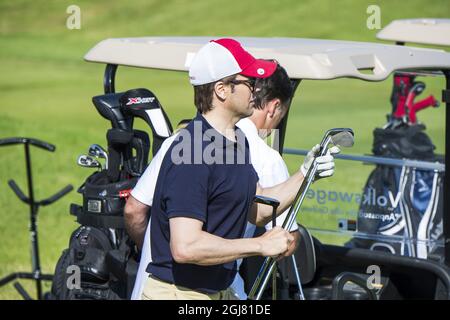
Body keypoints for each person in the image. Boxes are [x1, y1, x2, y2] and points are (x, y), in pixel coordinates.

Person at [124, 38, 338, 300]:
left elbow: (255, 210)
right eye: (250, 83)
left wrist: (305, 174)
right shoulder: (191, 152)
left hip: (217, 291)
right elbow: (186, 246)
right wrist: (260, 244)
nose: (257, 91)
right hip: (179, 295)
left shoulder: (237, 141)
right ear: (222, 90)